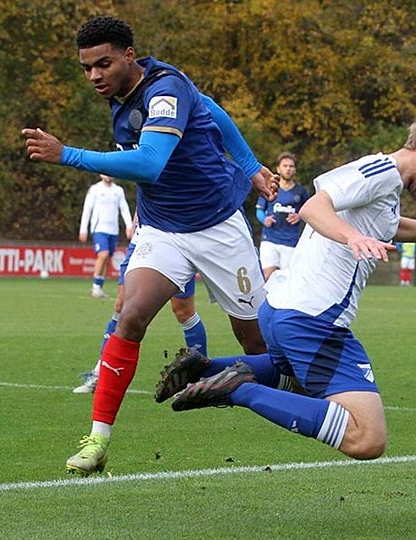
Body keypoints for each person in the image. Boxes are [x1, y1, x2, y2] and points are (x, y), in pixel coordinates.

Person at [161, 114, 416, 460]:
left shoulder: (387, 186)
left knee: (294, 381)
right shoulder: (380, 171)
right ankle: (237, 389)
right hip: (313, 320)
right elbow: (314, 206)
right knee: (367, 438)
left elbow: (390, 226)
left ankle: (207, 369)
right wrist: (352, 237)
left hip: (284, 311)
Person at [22, 16, 279, 475]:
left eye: (103, 64)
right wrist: (255, 167)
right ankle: (98, 440)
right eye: (86, 68)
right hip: (163, 231)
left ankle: (250, 380)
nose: (94, 76)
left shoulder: (165, 90)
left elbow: (151, 163)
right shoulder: (124, 95)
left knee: (257, 342)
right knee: (131, 313)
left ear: (128, 56)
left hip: (218, 227)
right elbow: (214, 110)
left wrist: (67, 155)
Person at [73, 217, 209, 394]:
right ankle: (101, 373)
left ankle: (198, 377)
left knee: (183, 311)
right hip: (143, 237)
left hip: (178, 237)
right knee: (122, 305)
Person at [256, 152, 310, 280]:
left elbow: (309, 211)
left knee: (287, 280)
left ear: (295, 170)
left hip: (290, 241)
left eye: (291, 166)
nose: (288, 169)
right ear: (278, 169)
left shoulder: (301, 192)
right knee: (268, 277)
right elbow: (259, 210)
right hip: (270, 239)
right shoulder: (271, 188)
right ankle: (266, 301)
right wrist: (265, 219)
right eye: (285, 166)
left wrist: (299, 216)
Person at [79, 174, 133, 298]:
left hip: (113, 230)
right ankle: (95, 287)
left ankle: (99, 286)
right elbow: (87, 209)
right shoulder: (95, 189)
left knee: (107, 258)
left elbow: (124, 208)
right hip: (99, 228)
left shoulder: (118, 190)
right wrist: (83, 229)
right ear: (100, 174)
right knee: (102, 254)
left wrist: (129, 226)